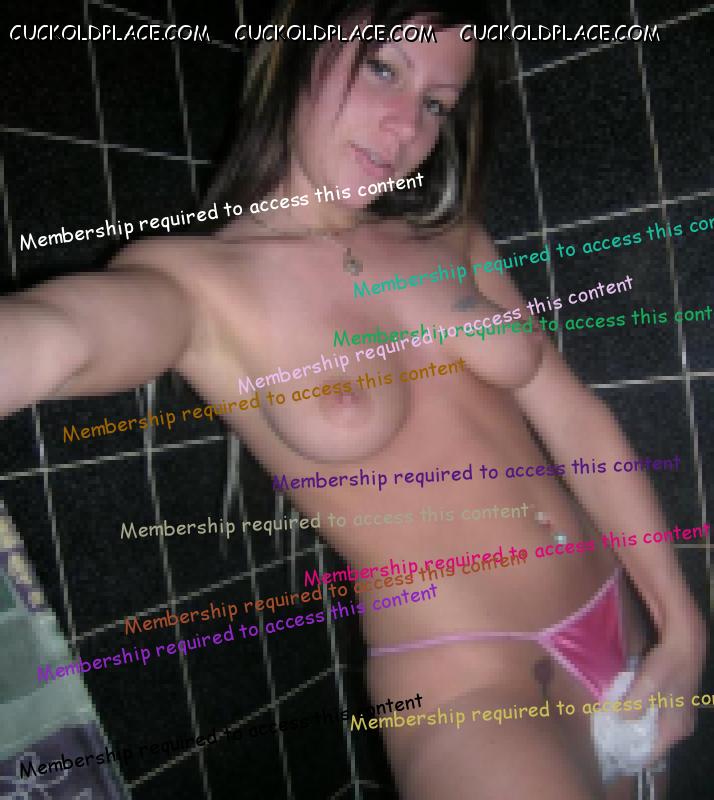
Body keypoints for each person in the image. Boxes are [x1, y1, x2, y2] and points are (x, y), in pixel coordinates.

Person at [2, 1, 705, 797]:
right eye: (382, 68)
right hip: (472, 683)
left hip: (620, 611)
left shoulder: (452, 237)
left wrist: (681, 626)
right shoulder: (193, 281)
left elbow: (575, 418)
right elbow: (62, 336)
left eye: (436, 103)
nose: (405, 125)